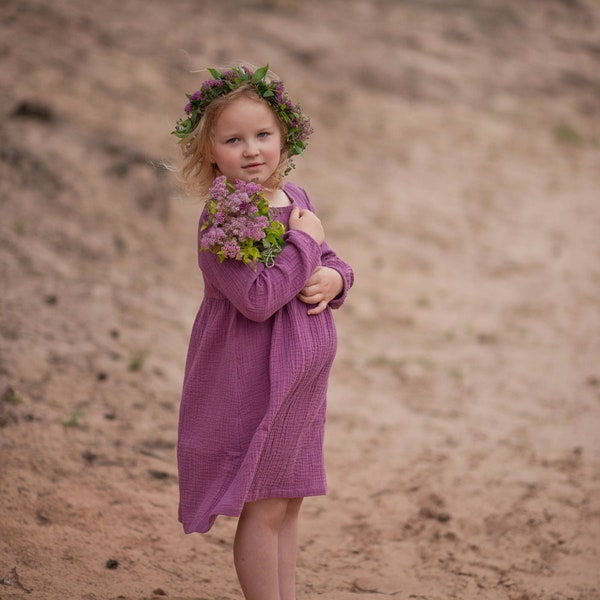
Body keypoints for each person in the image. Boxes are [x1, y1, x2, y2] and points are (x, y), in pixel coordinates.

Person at [172, 64, 354, 600]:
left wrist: (333, 277)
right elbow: (256, 299)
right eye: (233, 139)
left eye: (262, 134)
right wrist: (303, 246)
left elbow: (327, 259)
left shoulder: (294, 196)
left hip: (300, 377)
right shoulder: (224, 217)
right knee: (263, 504)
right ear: (208, 150)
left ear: (284, 136)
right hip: (253, 374)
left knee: (286, 499)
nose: (251, 149)